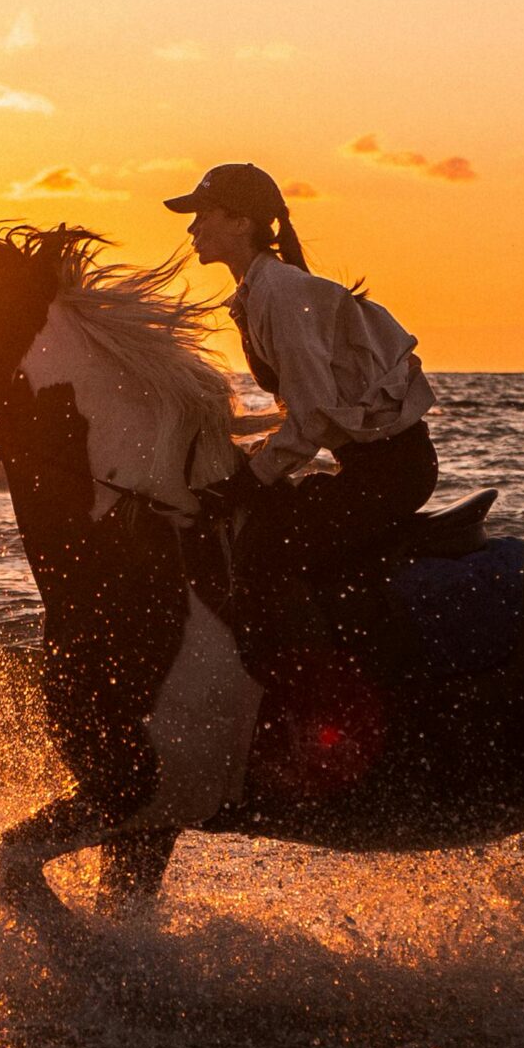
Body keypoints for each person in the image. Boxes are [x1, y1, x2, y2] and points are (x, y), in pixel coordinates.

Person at [164, 162, 437, 681]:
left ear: (242, 222)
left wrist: (250, 478)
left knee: (264, 555)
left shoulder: (281, 294)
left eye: (202, 215)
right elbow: (310, 416)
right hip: (369, 466)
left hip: (393, 473)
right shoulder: (259, 292)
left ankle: (319, 693)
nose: (191, 228)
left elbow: (311, 419)